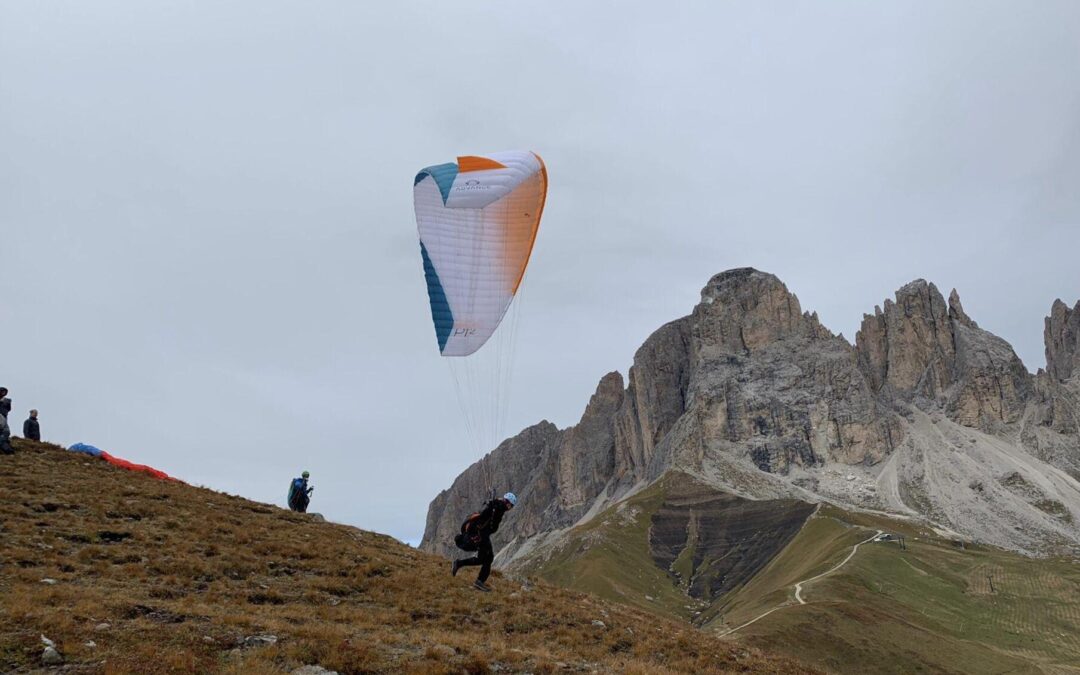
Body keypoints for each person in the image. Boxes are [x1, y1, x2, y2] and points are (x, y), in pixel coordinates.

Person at [451, 492, 517, 592]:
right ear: (508, 503)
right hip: (481, 536)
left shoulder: (497, 506)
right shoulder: (497, 507)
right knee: (488, 558)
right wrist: (474, 535)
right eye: (511, 505)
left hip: (482, 535)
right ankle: (479, 582)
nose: (510, 508)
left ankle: (459, 564)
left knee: (483, 559)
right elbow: (481, 519)